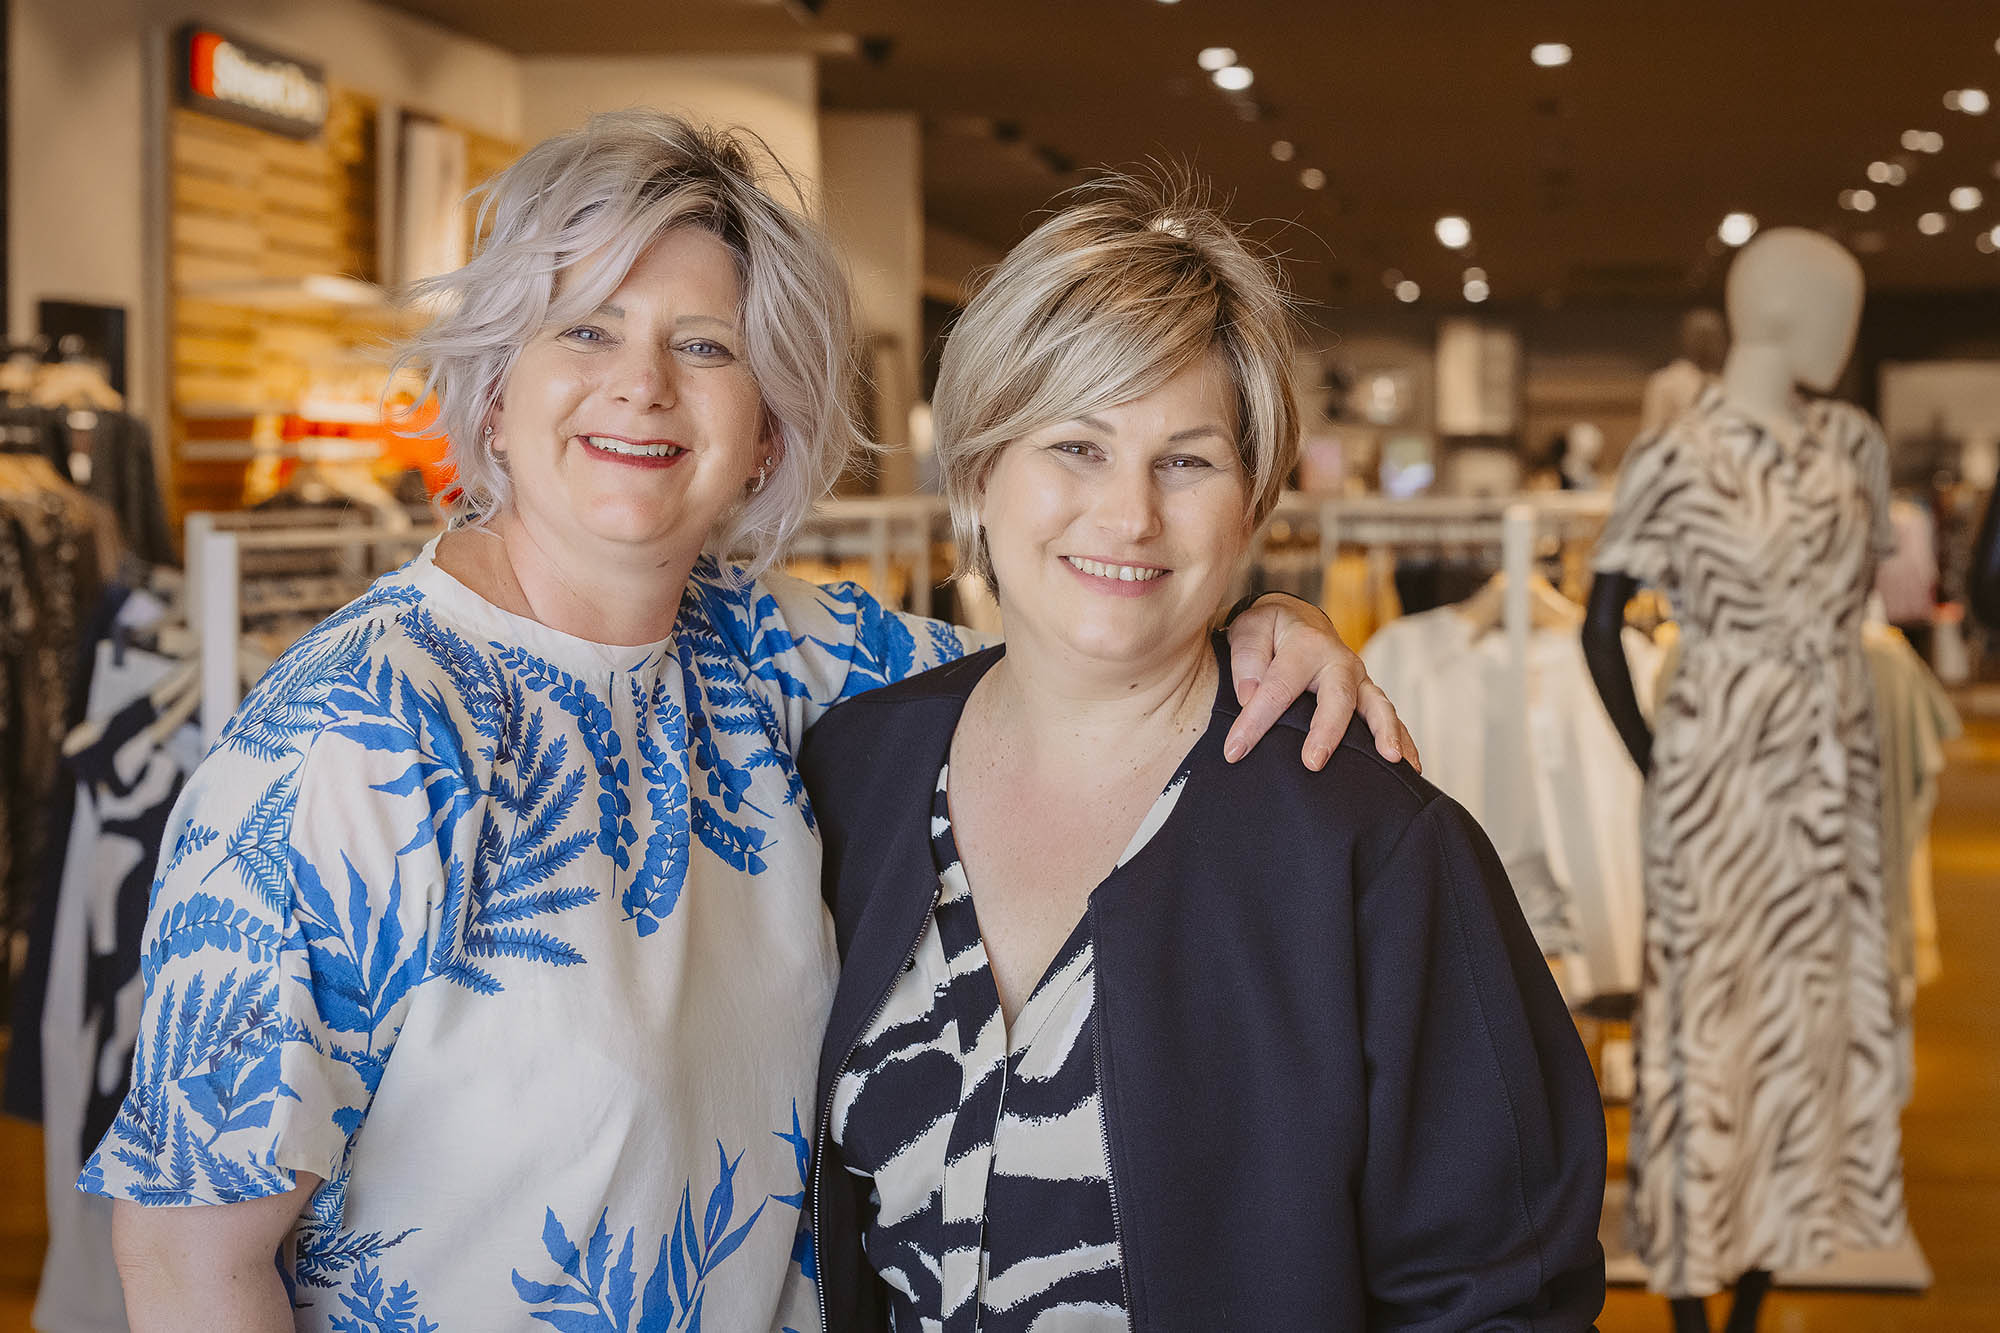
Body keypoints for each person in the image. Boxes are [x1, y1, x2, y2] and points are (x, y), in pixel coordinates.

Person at [82, 112, 1408, 1330]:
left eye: (704, 346)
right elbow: (189, 1259)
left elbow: (1086, 656)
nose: (642, 384)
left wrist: (1260, 620)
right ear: (492, 389)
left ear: (766, 427)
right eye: (585, 329)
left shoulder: (784, 656)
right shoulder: (348, 740)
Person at [802, 176, 1607, 1331]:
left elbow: (1497, 1293)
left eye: (1185, 461)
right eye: (1075, 445)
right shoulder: (852, 774)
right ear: (978, 473)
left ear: (1251, 503)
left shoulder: (1370, 844)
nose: (1129, 514)